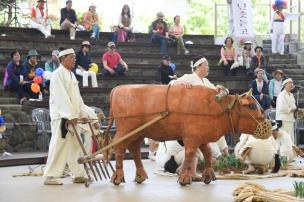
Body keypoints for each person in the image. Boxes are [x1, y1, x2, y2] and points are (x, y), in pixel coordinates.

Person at [43, 48, 100, 185]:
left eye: (75, 57)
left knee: (75, 146)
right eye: (71, 57)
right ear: (62, 59)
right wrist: (69, 116)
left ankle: (78, 174)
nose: (74, 60)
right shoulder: (57, 74)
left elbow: (78, 100)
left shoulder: (72, 75)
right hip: (62, 118)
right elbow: (60, 97)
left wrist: (86, 115)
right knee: (59, 145)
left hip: (72, 116)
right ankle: (49, 176)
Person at [169, 55, 229, 161]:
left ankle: (226, 155)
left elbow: (214, 93)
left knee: (218, 129)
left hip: (206, 117)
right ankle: (219, 158)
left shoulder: (206, 81)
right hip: (191, 118)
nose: (208, 67)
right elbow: (171, 83)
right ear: (198, 67)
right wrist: (181, 82)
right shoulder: (189, 77)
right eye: (206, 65)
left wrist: (218, 89)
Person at [276, 78, 297, 143]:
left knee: (290, 138)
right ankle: (281, 152)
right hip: (283, 119)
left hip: (290, 119)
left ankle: (289, 152)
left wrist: (292, 108)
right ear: (285, 85)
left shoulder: (291, 95)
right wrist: (291, 108)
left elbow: (294, 106)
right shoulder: (281, 95)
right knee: (283, 138)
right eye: (289, 83)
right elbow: (281, 107)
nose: (291, 85)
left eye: (292, 83)